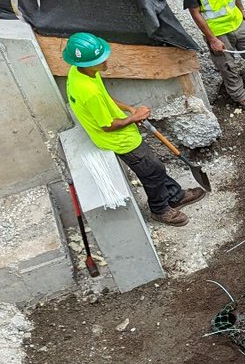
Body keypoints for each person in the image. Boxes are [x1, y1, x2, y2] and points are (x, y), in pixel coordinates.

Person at [63, 32, 204, 227]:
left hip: (124, 131)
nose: (106, 61)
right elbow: (107, 125)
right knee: (153, 171)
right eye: (100, 59)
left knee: (154, 168)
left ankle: (175, 195)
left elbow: (105, 97)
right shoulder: (88, 91)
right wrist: (134, 118)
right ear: (87, 63)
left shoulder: (79, 72)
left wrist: (129, 109)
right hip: (119, 140)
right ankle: (160, 209)